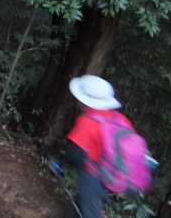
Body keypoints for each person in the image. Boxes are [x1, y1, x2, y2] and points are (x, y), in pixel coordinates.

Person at [49, 75, 129, 218]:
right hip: (116, 174)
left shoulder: (88, 121)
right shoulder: (121, 119)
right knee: (83, 204)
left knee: (89, 212)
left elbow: (75, 152)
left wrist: (59, 163)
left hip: (94, 174)